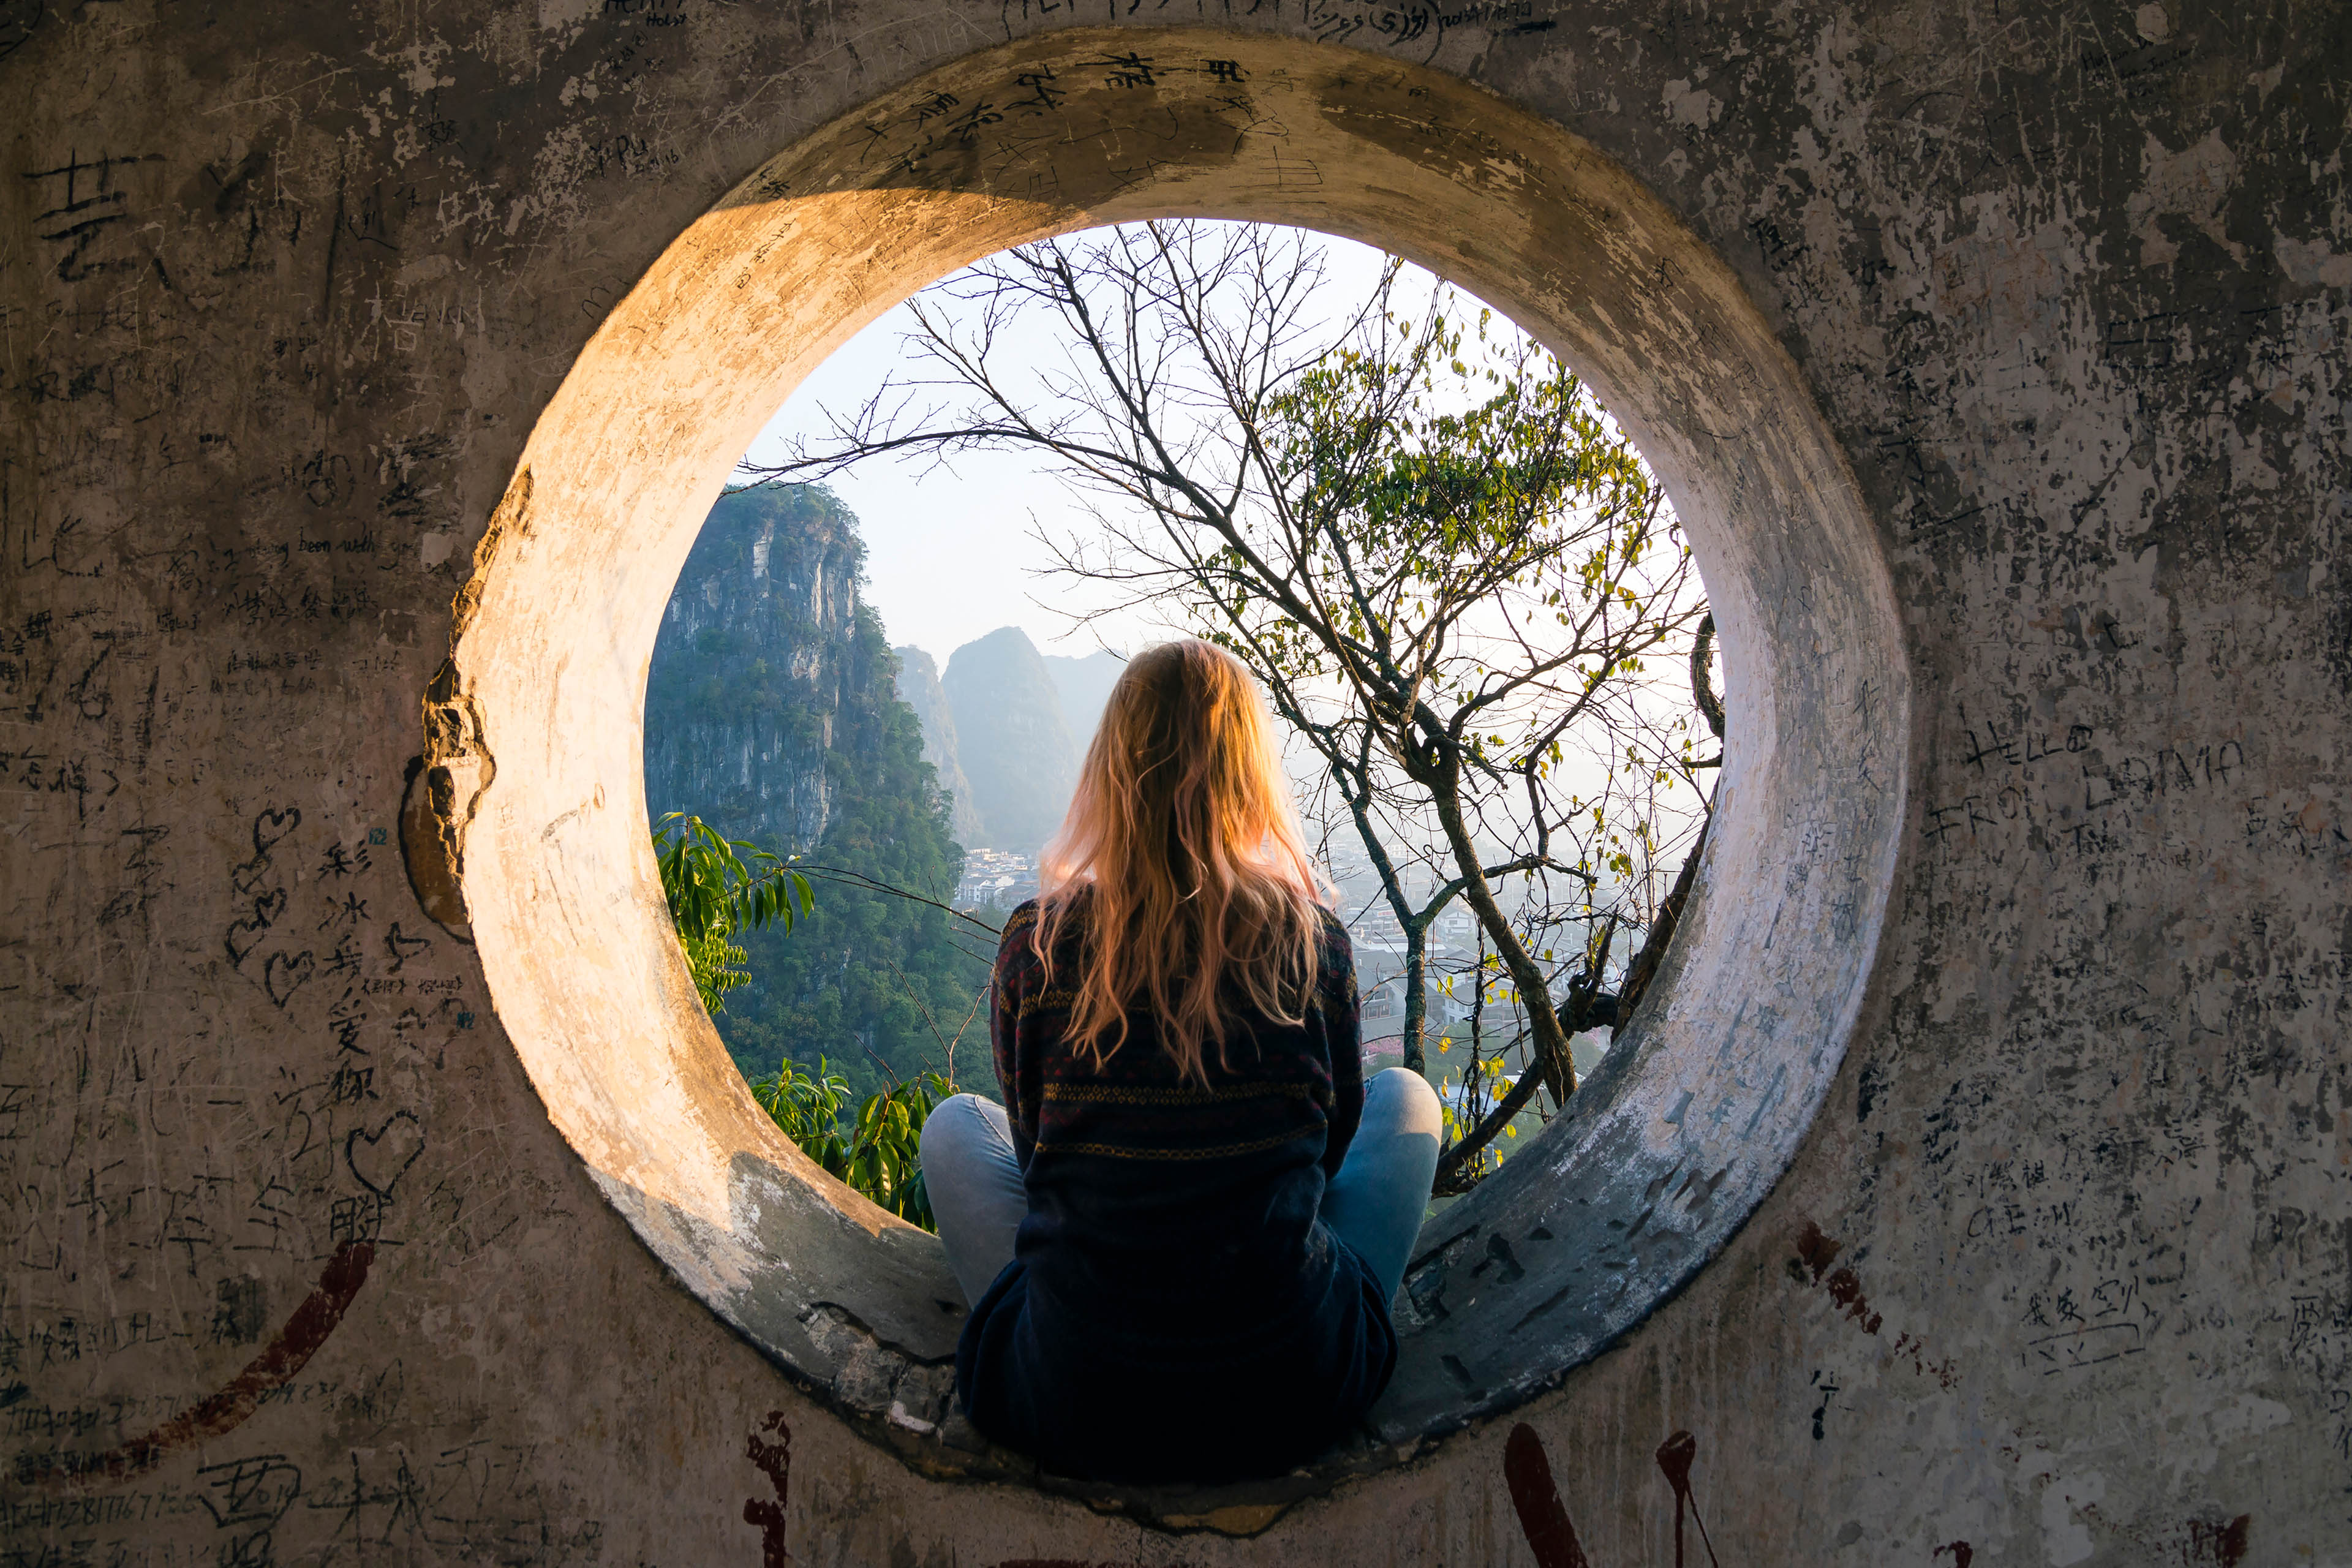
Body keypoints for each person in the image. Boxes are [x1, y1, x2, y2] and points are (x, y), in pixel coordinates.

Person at [919, 638, 1442, 1484]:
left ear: (1110, 770)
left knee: (953, 1129)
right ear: (1250, 774)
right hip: (1292, 1389)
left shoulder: (1038, 943)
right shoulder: (1312, 947)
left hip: (1072, 1395)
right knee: (1410, 1101)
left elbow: (1034, 1153)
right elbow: (1333, 1146)